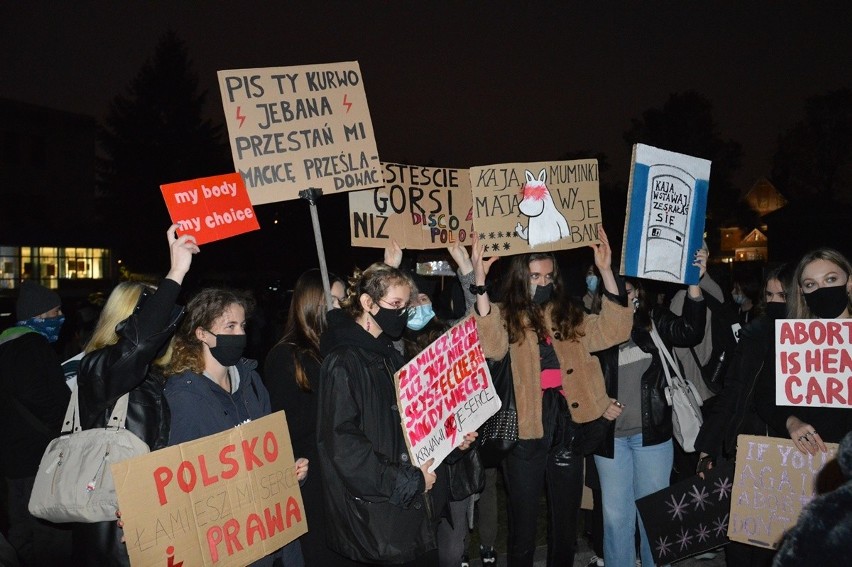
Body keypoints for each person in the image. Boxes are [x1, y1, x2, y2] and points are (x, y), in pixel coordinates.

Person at [470, 226, 633, 567]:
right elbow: (491, 346)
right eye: (534, 276)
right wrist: (480, 283)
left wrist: (605, 270)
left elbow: (616, 329)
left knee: (566, 520)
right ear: (520, 277)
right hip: (526, 426)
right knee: (524, 523)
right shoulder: (504, 314)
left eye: (547, 277)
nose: (542, 283)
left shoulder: (569, 314)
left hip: (567, 423)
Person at [317, 262, 474, 565]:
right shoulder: (344, 362)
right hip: (379, 520)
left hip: (409, 513)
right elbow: (344, 447)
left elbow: (415, 423)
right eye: (395, 305)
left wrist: (451, 442)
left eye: (405, 305)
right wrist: (408, 483)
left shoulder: (389, 356)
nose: (402, 313)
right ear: (367, 303)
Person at [71, 225, 197, 566]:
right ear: (128, 320)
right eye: (154, 312)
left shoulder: (153, 375)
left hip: (151, 519)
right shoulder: (100, 369)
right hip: (114, 528)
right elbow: (138, 346)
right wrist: (176, 273)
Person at [163, 287, 308, 566]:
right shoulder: (182, 396)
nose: (239, 334)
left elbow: (270, 451)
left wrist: (289, 473)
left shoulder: (251, 381)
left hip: (273, 535)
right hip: (229, 545)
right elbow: (183, 484)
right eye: (229, 326)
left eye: (242, 326)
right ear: (201, 333)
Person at [593, 263, 707, 567]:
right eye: (612, 294)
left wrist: (694, 282)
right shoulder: (594, 327)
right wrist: (598, 404)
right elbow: (581, 378)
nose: (620, 299)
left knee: (653, 516)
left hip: (652, 435)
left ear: (637, 293)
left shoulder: (653, 320)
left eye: (625, 292)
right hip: (610, 439)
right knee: (616, 519)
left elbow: (691, 331)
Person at [695, 264, 792, 567]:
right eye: (770, 294)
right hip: (746, 448)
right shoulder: (755, 333)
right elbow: (732, 391)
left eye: (784, 295)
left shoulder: (813, 339)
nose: (776, 301)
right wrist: (709, 446)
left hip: (787, 453)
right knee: (739, 542)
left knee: (774, 546)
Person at [263, 269, 357, 566]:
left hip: (341, 477)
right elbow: (285, 428)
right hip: (311, 481)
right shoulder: (285, 357)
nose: (340, 310)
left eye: (343, 302)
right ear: (313, 304)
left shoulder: (337, 349)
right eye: (335, 302)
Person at [0, 280, 72, 565]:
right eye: (55, 312)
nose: (61, 317)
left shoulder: (4, 346)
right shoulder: (34, 346)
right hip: (41, 458)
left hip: (10, 460)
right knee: (49, 532)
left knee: (20, 527)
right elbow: (52, 400)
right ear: (40, 316)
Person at [755, 248, 852, 453]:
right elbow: (764, 397)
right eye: (811, 284)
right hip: (806, 460)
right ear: (802, 292)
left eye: (831, 279)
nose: (821, 289)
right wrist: (791, 422)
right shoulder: (792, 339)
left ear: (849, 282)